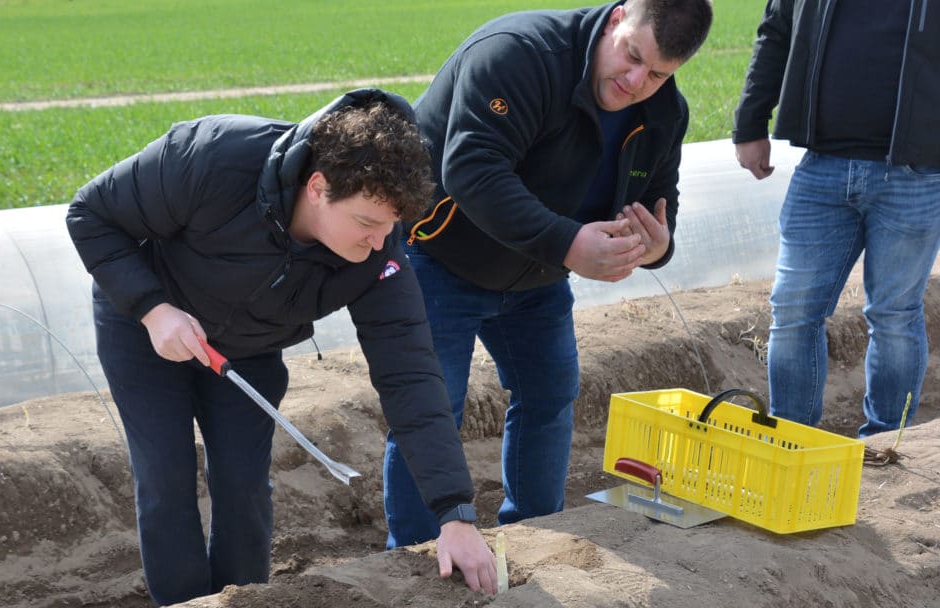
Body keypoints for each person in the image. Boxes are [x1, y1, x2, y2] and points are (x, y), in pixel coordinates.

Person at [65, 89, 497, 606]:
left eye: (391, 226)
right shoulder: (213, 156)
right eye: (366, 222)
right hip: (147, 328)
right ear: (318, 187)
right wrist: (152, 309)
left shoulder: (379, 256)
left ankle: (243, 598)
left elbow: (411, 376)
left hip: (248, 348)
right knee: (165, 481)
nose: (381, 242)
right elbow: (90, 213)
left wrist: (456, 514)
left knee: (244, 485)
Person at [385, 0, 713, 549]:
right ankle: (413, 556)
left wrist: (656, 247)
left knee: (550, 394)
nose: (636, 81)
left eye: (658, 73)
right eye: (631, 56)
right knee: (433, 407)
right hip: (440, 255)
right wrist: (569, 243)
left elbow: (661, 204)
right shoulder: (519, 56)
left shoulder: (664, 115)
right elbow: (470, 171)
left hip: (538, 276)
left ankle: (535, 537)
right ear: (617, 18)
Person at [733, 0, 940, 437]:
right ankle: (791, 441)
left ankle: (886, 447)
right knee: (792, 308)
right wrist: (750, 122)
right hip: (822, 166)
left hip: (915, 171)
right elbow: (777, 29)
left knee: (894, 315)